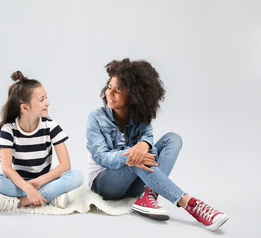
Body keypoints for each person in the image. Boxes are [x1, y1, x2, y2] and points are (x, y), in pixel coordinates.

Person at [86, 58, 228, 231]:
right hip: (104, 184)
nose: (110, 94)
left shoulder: (140, 116)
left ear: (134, 95)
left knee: (173, 139)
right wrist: (133, 152)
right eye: (109, 87)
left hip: (134, 182)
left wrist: (145, 144)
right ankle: (190, 204)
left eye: (118, 90)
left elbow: (149, 140)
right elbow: (102, 157)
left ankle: (148, 195)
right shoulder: (95, 118)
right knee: (134, 159)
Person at [0, 71, 83, 211]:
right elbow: (6, 168)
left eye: (46, 98)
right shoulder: (9, 130)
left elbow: (65, 165)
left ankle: (20, 202)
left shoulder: (50, 126)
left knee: (77, 176)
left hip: (44, 181)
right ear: (25, 108)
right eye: (42, 99)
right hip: (19, 184)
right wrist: (27, 187)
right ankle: (51, 196)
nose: (47, 102)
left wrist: (37, 184)